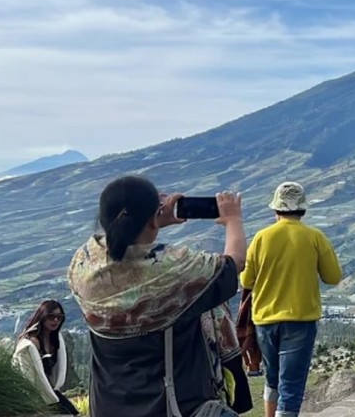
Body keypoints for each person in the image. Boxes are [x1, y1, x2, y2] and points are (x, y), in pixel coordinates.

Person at [67, 175, 247, 417]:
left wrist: (152, 219)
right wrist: (233, 219)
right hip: (174, 407)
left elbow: (126, 244)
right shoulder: (173, 270)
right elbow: (234, 262)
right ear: (152, 218)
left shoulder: (84, 262)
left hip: (108, 406)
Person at [240, 181, 343, 417]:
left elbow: (246, 281)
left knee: (273, 380)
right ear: (302, 209)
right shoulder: (314, 237)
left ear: (276, 209)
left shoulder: (261, 237)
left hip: (264, 321)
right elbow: (333, 276)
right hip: (300, 320)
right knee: (292, 387)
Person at [12, 299, 79, 415]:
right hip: (34, 392)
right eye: (51, 316)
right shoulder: (30, 344)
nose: (56, 320)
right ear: (42, 317)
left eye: (59, 317)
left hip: (48, 390)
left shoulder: (55, 340)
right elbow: (28, 376)